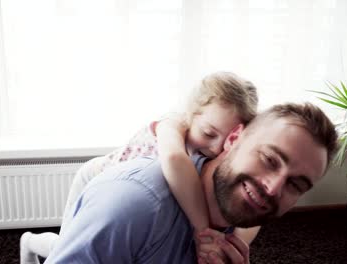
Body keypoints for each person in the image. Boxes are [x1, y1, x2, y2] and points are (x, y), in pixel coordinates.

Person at [44, 102, 338, 263]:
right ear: (233, 139)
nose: (273, 188)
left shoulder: (245, 213)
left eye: (296, 185)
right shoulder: (132, 205)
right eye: (270, 159)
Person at [20, 72, 260, 264]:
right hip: (96, 178)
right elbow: (176, 162)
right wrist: (203, 231)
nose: (217, 147)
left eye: (228, 140)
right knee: (73, 245)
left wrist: (234, 243)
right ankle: (29, 242)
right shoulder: (173, 124)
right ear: (191, 115)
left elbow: (252, 215)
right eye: (208, 133)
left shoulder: (213, 153)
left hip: (140, 199)